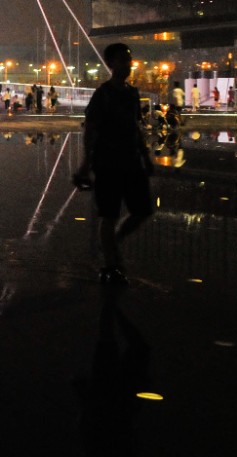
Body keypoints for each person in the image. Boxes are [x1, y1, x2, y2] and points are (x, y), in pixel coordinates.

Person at [72, 43, 154, 285]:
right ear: (110, 64)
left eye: (129, 60)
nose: (128, 64)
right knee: (109, 214)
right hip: (107, 162)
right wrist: (86, 164)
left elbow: (135, 127)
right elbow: (91, 131)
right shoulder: (103, 95)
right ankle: (110, 264)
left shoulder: (132, 93)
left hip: (131, 160)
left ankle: (113, 240)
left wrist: (145, 157)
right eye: (122, 60)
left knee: (142, 210)